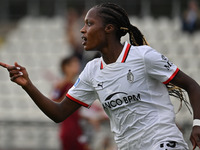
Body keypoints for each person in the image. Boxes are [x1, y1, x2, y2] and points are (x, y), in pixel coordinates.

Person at [1, 2, 200, 150]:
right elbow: (59, 113)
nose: (82, 29)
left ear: (109, 29)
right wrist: (27, 85)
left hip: (163, 143)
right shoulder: (92, 70)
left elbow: (192, 85)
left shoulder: (143, 56)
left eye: (89, 23)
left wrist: (198, 124)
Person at [51, 56, 88, 150]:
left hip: (77, 128)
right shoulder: (60, 86)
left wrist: (90, 118)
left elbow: (75, 111)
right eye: (74, 64)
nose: (77, 66)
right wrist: (68, 97)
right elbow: (53, 103)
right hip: (68, 129)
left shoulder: (75, 85)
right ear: (65, 67)